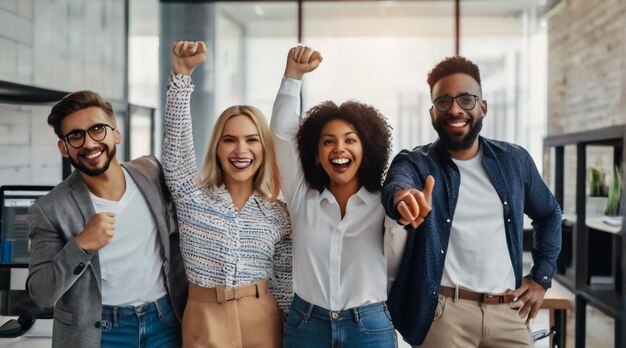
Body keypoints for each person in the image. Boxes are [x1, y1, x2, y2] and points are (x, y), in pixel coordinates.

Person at [382, 56, 563, 347]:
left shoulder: (514, 161)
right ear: (432, 113)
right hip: (444, 314)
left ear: (483, 107)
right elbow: (396, 186)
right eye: (443, 101)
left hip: (508, 312)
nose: (454, 108)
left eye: (466, 99)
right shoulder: (416, 162)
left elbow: (550, 213)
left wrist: (541, 277)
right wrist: (405, 200)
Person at [27, 90, 187, 348]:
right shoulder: (50, 208)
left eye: (97, 129)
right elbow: (41, 293)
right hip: (101, 331)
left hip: (164, 320)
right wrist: (82, 246)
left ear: (116, 133)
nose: (89, 144)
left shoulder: (151, 171)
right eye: (76, 136)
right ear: (64, 148)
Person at [163, 41, 292, 348]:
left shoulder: (278, 213)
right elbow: (176, 151)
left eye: (252, 140)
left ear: (264, 148)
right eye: (230, 140)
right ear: (217, 149)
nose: (241, 150)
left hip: (262, 317)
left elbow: (285, 282)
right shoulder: (191, 195)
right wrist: (182, 76)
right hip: (203, 318)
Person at [271, 45, 396, 348]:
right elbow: (281, 132)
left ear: (366, 152)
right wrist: (293, 76)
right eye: (329, 142)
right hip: (307, 325)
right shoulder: (302, 196)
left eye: (350, 140)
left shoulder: (385, 202)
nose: (339, 149)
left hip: (369, 326)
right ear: (316, 155)